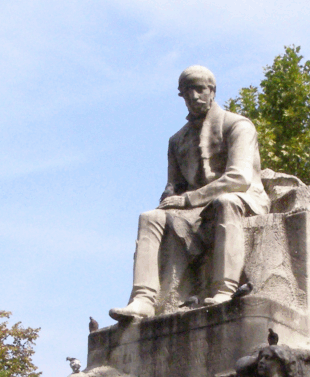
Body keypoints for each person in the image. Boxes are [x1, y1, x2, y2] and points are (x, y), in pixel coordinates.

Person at [109, 66, 269, 320]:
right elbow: (175, 186)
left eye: (199, 89)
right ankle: (143, 298)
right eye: (186, 92)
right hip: (194, 207)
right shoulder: (177, 140)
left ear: (212, 90)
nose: (193, 96)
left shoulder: (237, 125)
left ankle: (225, 289)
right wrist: (170, 197)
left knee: (225, 202)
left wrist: (187, 199)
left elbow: (239, 178)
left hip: (243, 197)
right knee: (149, 217)